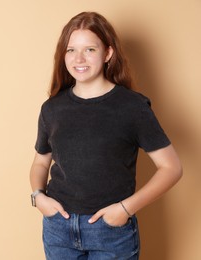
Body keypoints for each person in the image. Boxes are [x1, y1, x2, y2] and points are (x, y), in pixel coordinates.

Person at [29, 11, 182, 259]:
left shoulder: (132, 107)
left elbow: (171, 167)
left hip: (111, 231)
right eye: (71, 50)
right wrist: (38, 197)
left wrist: (125, 208)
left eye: (89, 49)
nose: (79, 58)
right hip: (58, 229)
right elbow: (40, 162)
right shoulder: (52, 108)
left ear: (108, 53)